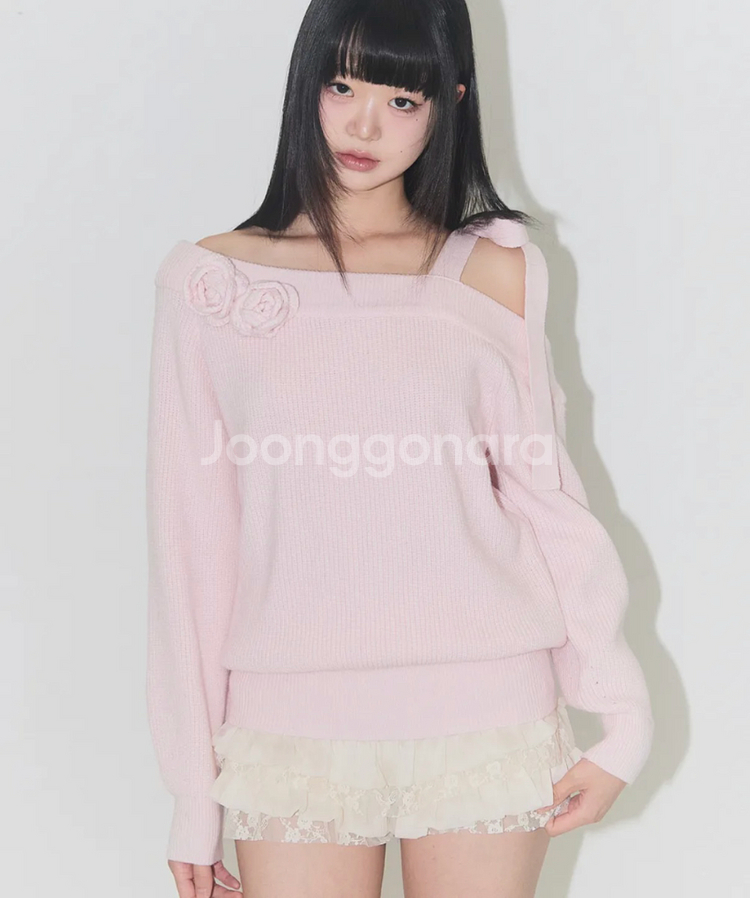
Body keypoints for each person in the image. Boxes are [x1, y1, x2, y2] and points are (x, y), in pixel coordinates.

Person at [145, 0, 654, 895]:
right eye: (342, 86)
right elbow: (191, 543)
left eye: (402, 99)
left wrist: (623, 714)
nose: (364, 125)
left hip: (488, 713)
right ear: (306, 83)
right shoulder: (210, 283)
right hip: (289, 729)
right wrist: (193, 792)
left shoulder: (496, 272)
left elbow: (548, 502)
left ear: (449, 100)